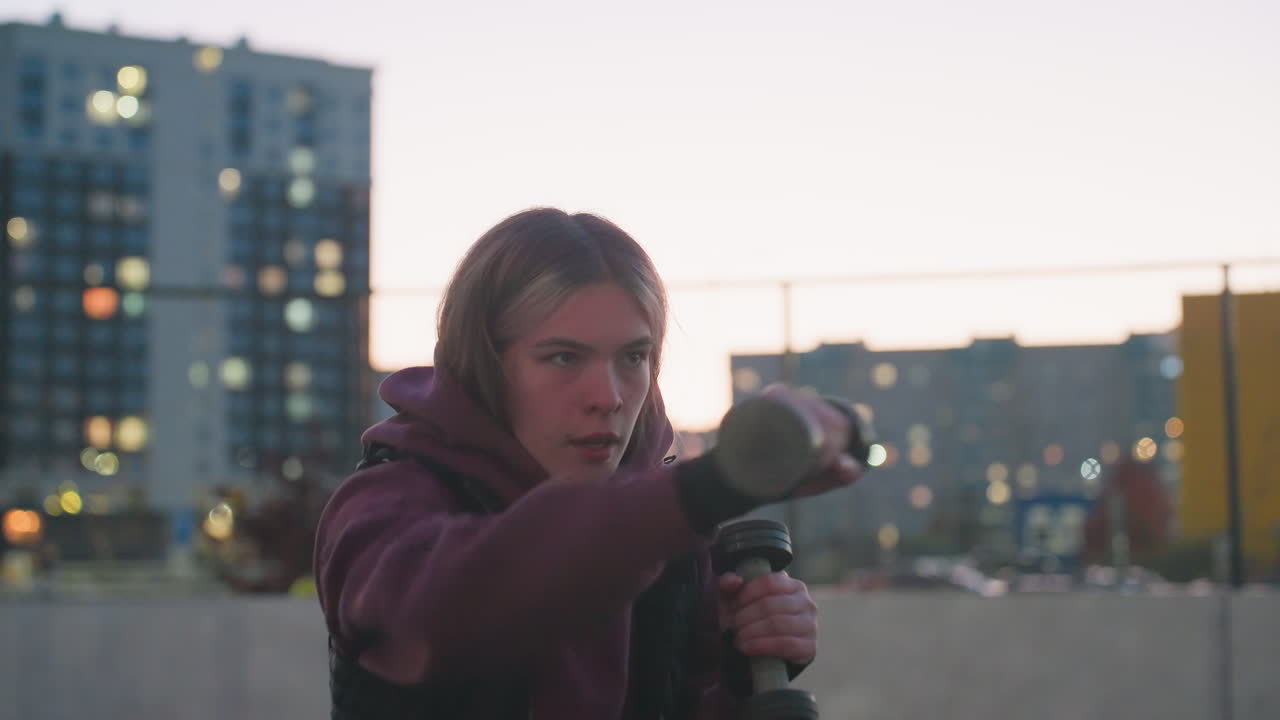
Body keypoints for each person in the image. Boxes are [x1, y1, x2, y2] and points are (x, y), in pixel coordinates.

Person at [314, 207, 864, 719]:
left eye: (633, 357)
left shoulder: (667, 529)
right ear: (483, 362)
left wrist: (741, 673)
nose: (608, 396)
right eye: (563, 357)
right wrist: (705, 489)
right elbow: (463, 602)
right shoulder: (386, 505)